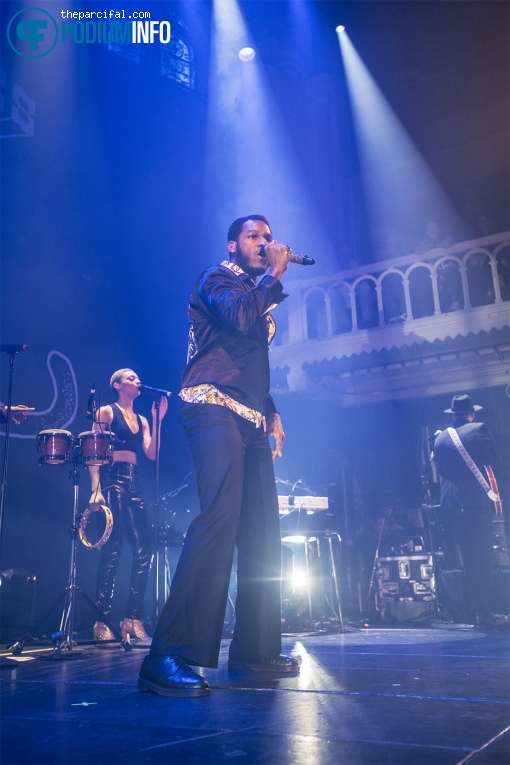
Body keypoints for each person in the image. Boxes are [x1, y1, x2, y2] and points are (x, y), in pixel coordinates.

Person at [138, 214, 298, 698]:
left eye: (269, 238)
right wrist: (272, 276)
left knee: (261, 529)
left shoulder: (255, 292)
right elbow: (242, 319)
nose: (265, 243)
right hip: (209, 404)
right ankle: (166, 654)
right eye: (255, 237)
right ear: (232, 245)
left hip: (249, 413)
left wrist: (270, 410)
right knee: (220, 517)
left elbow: (252, 360)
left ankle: (254, 649)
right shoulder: (216, 278)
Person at [88, 368, 168, 645]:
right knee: (112, 550)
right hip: (111, 480)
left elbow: (151, 453)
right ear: (117, 384)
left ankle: (132, 619)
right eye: (130, 377)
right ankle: (102, 620)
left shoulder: (143, 419)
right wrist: (95, 488)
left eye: (137, 377)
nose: (137, 380)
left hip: (133, 483)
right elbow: (93, 449)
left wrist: (157, 421)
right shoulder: (107, 413)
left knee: (145, 550)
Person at [433, 394, 507, 628]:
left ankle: (469, 613)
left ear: (453, 415)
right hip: (474, 502)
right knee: (482, 558)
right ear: (471, 414)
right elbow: (494, 462)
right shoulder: (479, 430)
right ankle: (483, 613)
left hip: (451, 505)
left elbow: (442, 470)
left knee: (463, 559)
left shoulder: (441, 438)